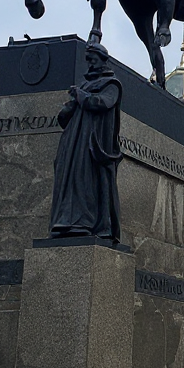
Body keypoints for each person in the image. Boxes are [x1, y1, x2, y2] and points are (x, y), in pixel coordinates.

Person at [49, 43, 123, 241]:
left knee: (86, 180)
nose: (89, 64)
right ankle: (67, 221)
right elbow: (68, 114)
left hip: (92, 142)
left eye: (92, 59)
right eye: (87, 60)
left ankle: (85, 222)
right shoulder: (84, 85)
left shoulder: (111, 84)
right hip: (74, 141)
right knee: (70, 177)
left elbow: (102, 103)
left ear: (102, 59)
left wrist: (81, 96)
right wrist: (68, 107)